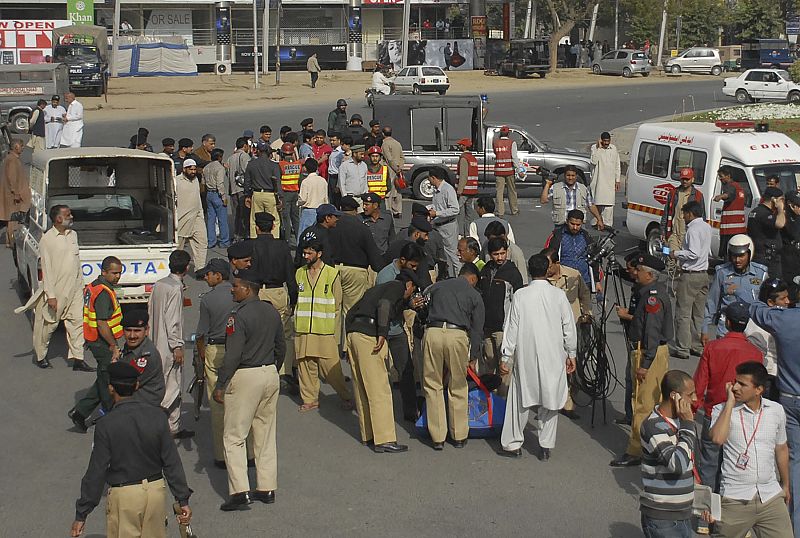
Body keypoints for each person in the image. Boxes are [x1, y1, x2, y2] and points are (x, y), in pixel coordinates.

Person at [70, 362, 192, 538]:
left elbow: (97, 471)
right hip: (155, 492)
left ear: (111, 388)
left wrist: (82, 513)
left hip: (125, 496)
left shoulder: (106, 424)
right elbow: (172, 462)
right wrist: (183, 499)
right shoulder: (158, 416)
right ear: (136, 386)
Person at [213, 268, 285, 511]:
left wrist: (221, 383)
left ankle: (240, 492)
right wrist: (274, 368)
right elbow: (281, 346)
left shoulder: (238, 315)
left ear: (247, 289)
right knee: (264, 433)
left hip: (246, 375)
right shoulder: (270, 310)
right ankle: (266, 487)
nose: (232, 289)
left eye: (235, 286)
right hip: (269, 373)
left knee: (234, 436)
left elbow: (232, 354)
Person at [499, 254, 577, 460]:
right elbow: (569, 328)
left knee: (520, 399)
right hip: (553, 356)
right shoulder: (558, 296)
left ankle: (513, 444)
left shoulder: (520, 295)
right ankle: (545, 445)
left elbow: (511, 328)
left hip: (526, 355)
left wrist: (506, 356)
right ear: (547, 270)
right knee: (550, 400)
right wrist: (572, 353)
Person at [709, 362, 792, 538]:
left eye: (742, 384)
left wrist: (785, 485)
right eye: (735, 382)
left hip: (770, 496)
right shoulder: (722, 410)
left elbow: (781, 448)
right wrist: (730, 404)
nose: (735, 387)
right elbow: (717, 438)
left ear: (758, 389)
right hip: (734, 499)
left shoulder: (775, 410)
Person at [346, 271, 419, 452]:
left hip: (355, 331)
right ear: (408, 285)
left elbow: (351, 312)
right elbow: (385, 305)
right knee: (379, 388)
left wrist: (348, 340)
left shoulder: (376, 289)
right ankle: (385, 439)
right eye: (412, 290)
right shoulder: (397, 287)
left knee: (362, 386)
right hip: (370, 333)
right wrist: (382, 333)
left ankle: (368, 435)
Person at [693, 301, 763, 491]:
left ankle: (707, 511)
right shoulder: (757, 354)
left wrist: (692, 409)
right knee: (734, 466)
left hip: (715, 412)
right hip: (743, 415)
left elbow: (700, 383)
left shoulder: (713, 347)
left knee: (709, 463)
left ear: (728, 322)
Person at [610, 254, 672, 467]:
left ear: (649, 274)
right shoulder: (651, 292)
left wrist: (645, 364)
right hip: (651, 352)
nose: (635, 273)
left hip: (648, 352)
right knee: (651, 402)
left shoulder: (652, 298)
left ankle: (636, 450)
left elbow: (652, 333)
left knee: (643, 405)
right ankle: (653, 445)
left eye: (639, 270)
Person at [749, 294, 800, 533]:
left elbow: (755, 310)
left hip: (790, 399)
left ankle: (794, 523)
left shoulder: (784, 319)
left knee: (794, 461)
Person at [422, 263, 485, 450]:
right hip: (457, 335)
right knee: (458, 384)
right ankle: (458, 435)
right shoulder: (474, 295)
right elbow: (477, 329)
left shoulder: (438, 286)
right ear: (472, 278)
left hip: (433, 332)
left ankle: (437, 436)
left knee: (433, 384)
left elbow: (423, 303)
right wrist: (473, 355)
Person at [637, 370, 699, 538]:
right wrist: (688, 425)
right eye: (690, 394)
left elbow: (691, 463)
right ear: (674, 395)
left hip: (683, 514)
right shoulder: (653, 426)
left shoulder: (681, 421)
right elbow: (677, 465)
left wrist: (702, 503)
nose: (694, 400)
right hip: (663, 519)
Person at [29, 205, 91, 370]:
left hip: (75, 288)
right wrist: (50, 295)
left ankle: (78, 359)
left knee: (77, 323)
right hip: (57, 290)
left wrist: (82, 286)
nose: (71, 216)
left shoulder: (73, 235)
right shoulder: (47, 239)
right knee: (49, 325)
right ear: (58, 219)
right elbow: (47, 270)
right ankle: (41, 356)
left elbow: (76, 264)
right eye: (67, 214)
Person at [294, 240, 353, 412]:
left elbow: (337, 302)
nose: (306, 256)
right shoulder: (299, 273)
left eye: (309, 253)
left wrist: (334, 327)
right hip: (303, 327)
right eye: (304, 253)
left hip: (324, 328)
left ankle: (345, 395)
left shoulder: (332, 274)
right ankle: (310, 398)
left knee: (330, 367)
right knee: (305, 364)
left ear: (319, 254)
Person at [70, 256, 124, 432]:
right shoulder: (103, 293)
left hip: (94, 339)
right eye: (114, 273)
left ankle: (80, 412)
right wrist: (113, 345)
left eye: (119, 273)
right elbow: (102, 323)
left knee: (103, 375)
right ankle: (111, 413)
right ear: (104, 272)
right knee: (108, 378)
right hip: (102, 342)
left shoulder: (94, 286)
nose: (117, 277)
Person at [375, 242, 425, 421]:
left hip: (397, 329)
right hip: (383, 330)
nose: (414, 269)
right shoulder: (386, 276)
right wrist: (407, 304)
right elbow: (384, 307)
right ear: (402, 260)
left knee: (406, 369)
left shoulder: (409, 273)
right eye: (412, 265)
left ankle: (410, 410)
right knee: (380, 372)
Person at [194, 258, 235, 466]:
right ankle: (248, 453)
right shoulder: (239, 294)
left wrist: (202, 355)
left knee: (217, 401)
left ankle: (221, 455)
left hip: (216, 349)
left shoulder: (208, 300)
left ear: (218, 276)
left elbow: (201, 333)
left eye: (209, 274)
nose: (206, 277)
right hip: (238, 350)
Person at [250, 212, 298, 391]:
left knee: (257, 332)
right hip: (277, 290)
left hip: (257, 292)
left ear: (256, 228)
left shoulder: (251, 246)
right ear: (273, 227)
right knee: (285, 333)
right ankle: (284, 372)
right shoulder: (282, 247)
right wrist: (293, 299)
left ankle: (258, 368)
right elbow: (290, 275)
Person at [148, 250, 193, 439]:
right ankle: (159, 423)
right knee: (172, 386)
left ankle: (171, 425)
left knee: (163, 384)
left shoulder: (160, 284)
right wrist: (177, 346)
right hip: (168, 346)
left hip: (155, 342)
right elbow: (172, 320)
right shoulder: (174, 288)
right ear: (187, 268)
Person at [542, 246, 590, 420]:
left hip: (574, 328)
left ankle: (569, 402)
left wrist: (587, 314)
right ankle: (550, 400)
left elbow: (585, 295)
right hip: (551, 331)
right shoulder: (542, 281)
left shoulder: (573, 275)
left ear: (557, 263)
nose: (546, 270)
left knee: (573, 366)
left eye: (549, 266)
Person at [702, 234, 767, 342]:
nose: (737, 260)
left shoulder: (761, 274)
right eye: (734, 256)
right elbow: (711, 302)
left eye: (741, 256)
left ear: (749, 254)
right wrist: (704, 328)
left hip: (752, 330)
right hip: (726, 329)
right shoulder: (722, 272)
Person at [669, 200, 712, 359]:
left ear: (690, 214)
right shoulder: (707, 227)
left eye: (685, 214)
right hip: (703, 274)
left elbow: (693, 253)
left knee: (683, 313)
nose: (684, 217)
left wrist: (676, 254)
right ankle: (697, 345)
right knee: (698, 313)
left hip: (690, 274)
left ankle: (682, 348)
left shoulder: (692, 230)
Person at [479, 238, 524, 393]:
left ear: (507, 252)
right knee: (488, 362)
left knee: (504, 367)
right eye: (496, 254)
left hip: (503, 329)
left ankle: (503, 403)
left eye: (502, 253)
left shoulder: (513, 274)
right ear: (490, 254)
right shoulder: (485, 271)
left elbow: (518, 302)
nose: (499, 257)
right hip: (486, 328)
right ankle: (488, 400)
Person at [330, 196, 384, 315]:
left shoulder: (331, 225)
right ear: (355, 210)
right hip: (355, 272)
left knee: (333, 309)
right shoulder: (362, 227)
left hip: (333, 269)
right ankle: (348, 333)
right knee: (351, 310)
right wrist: (380, 269)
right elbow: (372, 253)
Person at [745, 279, 789, 398]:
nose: (787, 302)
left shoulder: (777, 319)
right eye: (783, 299)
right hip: (768, 377)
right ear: (770, 302)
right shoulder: (759, 325)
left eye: (787, 297)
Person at [614, 252, 643, 426]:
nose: (629, 272)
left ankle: (637, 417)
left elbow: (645, 318)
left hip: (640, 342)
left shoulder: (645, 291)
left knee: (634, 380)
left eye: (631, 269)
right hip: (632, 337)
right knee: (628, 378)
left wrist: (627, 315)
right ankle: (629, 414)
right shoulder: (637, 285)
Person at [119, 309, 165, 409]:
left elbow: (125, 384)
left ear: (146, 331)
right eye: (128, 330)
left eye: (137, 331)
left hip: (143, 407)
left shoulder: (146, 356)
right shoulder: (133, 347)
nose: (132, 336)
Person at [544, 209, 598, 292]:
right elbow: (550, 258)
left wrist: (596, 281)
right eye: (572, 224)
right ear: (567, 221)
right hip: (564, 282)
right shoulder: (558, 236)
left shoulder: (586, 237)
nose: (575, 227)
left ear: (582, 223)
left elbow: (594, 259)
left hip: (584, 280)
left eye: (578, 225)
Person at [541, 165, 605, 229]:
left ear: (576, 176)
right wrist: (547, 184)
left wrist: (599, 219)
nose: (570, 178)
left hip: (578, 225)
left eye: (573, 175)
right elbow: (543, 200)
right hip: (561, 224)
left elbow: (591, 205)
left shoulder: (583, 188)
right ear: (564, 176)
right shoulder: (555, 187)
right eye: (568, 175)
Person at [660, 167, 705, 254]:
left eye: (687, 179)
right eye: (683, 179)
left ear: (692, 179)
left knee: (682, 263)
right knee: (671, 259)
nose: (684, 181)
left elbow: (702, 217)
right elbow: (666, 214)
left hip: (688, 236)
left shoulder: (698, 196)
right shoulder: (673, 194)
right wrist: (663, 233)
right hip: (674, 235)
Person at [245, 140, 282, 239]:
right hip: (270, 195)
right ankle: (273, 240)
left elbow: (247, 182)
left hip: (256, 194)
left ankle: (254, 240)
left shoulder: (251, 164)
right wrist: (280, 198)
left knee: (254, 220)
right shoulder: (274, 165)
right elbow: (278, 183)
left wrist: (247, 196)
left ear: (258, 151)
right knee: (274, 220)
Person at [428, 167, 461, 277]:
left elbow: (455, 209)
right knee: (441, 255)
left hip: (448, 227)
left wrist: (437, 213)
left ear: (433, 178)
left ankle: (459, 277)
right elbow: (437, 206)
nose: (429, 180)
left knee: (453, 255)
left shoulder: (448, 189)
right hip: (438, 226)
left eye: (429, 178)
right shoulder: (436, 190)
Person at [175, 159, 208, 270]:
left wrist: (201, 214)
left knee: (202, 243)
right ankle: (176, 270)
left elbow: (198, 199)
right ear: (184, 169)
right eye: (191, 169)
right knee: (178, 248)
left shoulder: (195, 180)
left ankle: (200, 269)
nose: (193, 172)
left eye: (194, 169)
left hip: (197, 217)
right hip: (182, 219)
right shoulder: (176, 181)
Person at [748, 187, 786, 278]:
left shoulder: (756, 211)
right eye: (781, 200)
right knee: (772, 287)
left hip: (760, 255)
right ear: (774, 199)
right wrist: (781, 209)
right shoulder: (764, 214)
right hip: (766, 258)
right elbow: (780, 224)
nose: (783, 203)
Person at [0, 139, 30, 247]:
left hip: (12, 194)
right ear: (16, 146)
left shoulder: (11, 159)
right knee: (13, 218)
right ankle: (12, 241)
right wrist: (16, 193)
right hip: (13, 196)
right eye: (21, 146)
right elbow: (12, 178)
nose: (23, 148)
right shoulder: (12, 160)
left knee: (11, 218)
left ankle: (10, 241)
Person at [713, 166, 748, 258]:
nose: (720, 179)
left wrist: (719, 197)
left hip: (729, 229)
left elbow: (728, 194)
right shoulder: (739, 187)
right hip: (740, 229)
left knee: (728, 255)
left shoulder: (730, 186)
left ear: (728, 176)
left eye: (721, 176)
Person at [589, 132, 621, 227]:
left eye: (608, 141)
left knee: (609, 206)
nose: (606, 143)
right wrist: (599, 148)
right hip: (598, 182)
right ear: (601, 140)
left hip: (610, 182)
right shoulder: (594, 148)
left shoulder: (613, 148)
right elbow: (593, 161)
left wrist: (617, 180)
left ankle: (607, 225)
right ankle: (596, 223)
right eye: (605, 141)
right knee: (597, 203)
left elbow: (617, 165)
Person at [226, 137, 251, 242]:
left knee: (236, 214)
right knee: (245, 213)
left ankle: (237, 234)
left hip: (233, 189)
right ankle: (245, 234)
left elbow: (227, 173)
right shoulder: (245, 156)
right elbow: (248, 171)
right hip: (242, 189)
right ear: (245, 146)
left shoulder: (230, 158)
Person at [278, 142, 303, 244]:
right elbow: (300, 179)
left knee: (286, 218)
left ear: (283, 154)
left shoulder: (281, 165)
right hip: (295, 193)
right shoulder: (298, 164)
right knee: (296, 218)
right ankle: (298, 241)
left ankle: (287, 240)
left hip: (285, 194)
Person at [492, 126, 520, 216]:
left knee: (499, 192)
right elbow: (514, 157)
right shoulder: (512, 143)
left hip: (499, 170)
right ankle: (514, 210)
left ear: (500, 133)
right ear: (508, 133)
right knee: (512, 191)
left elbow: (496, 153)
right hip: (509, 170)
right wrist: (518, 169)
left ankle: (500, 211)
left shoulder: (495, 142)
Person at [205, 147, 230, 249]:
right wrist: (223, 196)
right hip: (217, 194)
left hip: (209, 194)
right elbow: (220, 183)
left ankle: (211, 241)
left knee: (211, 219)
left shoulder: (206, 167)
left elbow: (203, 182)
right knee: (222, 219)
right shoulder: (219, 168)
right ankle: (224, 241)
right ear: (220, 157)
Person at [298, 158, 328, 239]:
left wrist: (298, 203)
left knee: (304, 234)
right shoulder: (323, 180)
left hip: (308, 210)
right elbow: (326, 198)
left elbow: (303, 199)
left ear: (306, 168)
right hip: (321, 210)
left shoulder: (306, 182)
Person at [456, 138, 480, 237]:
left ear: (464, 146)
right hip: (472, 190)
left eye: (460, 145)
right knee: (469, 214)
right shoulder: (473, 158)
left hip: (464, 191)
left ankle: (458, 233)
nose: (459, 147)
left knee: (457, 212)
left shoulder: (464, 158)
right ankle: (468, 234)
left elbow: (463, 176)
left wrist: (459, 190)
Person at [380, 126, 405, 218]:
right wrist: (400, 167)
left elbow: (388, 158)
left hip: (390, 169)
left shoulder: (385, 144)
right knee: (398, 190)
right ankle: (398, 211)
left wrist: (395, 168)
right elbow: (402, 157)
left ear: (383, 134)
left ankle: (389, 211)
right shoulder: (397, 143)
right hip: (398, 169)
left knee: (389, 190)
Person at [782, 190, 800, 279]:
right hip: (788, 256)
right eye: (798, 205)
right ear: (790, 204)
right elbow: (794, 234)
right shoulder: (785, 217)